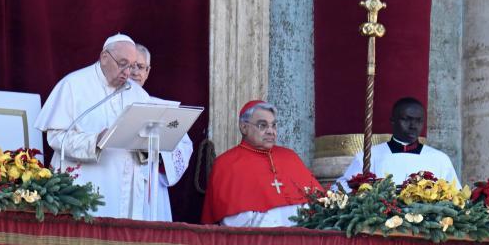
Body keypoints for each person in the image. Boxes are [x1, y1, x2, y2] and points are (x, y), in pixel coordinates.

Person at [34, 33, 153, 218]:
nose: (128, 73)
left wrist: (146, 144)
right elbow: (56, 137)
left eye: (131, 66)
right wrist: (95, 141)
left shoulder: (138, 94)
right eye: (122, 64)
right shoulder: (73, 85)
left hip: (125, 192)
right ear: (104, 57)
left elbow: (147, 145)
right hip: (85, 187)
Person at [201, 100, 322, 226]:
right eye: (262, 125)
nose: (271, 131)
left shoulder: (290, 157)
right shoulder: (226, 164)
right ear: (244, 127)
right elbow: (233, 221)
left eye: (274, 125)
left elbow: (318, 204)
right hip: (257, 242)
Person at [335, 97, 458, 190]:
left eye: (419, 121)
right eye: (407, 119)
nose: (413, 126)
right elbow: (340, 190)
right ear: (393, 121)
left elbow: (457, 196)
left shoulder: (440, 159)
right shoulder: (369, 156)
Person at [132, 43, 193, 221]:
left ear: (148, 72)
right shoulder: (108, 106)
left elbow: (184, 146)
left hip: (152, 189)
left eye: (141, 67)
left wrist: (160, 157)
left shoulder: (163, 107)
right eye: (131, 66)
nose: (136, 72)